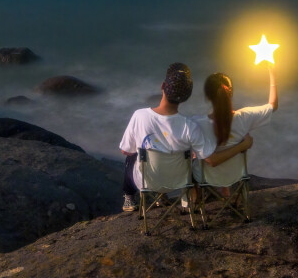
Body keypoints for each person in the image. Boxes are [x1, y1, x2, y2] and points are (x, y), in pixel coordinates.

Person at [118, 61, 202, 213]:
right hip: (179, 180)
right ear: (186, 96)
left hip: (148, 181)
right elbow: (199, 154)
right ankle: (166, 198)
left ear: (163, 86)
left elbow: (125, 150)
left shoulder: (140, 116)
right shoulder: (189, 125)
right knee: (180, 151)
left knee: (132, 154)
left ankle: (129, 198)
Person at [196, 57, 279, 179]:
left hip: (208, 178)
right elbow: (273, 105)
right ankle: (225, 191)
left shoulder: (200, 124)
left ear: (208, 97)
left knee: (189, 160)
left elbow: (212, 161)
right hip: (234, 176)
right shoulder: (245, 117)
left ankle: (192, 198)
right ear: (231, 92)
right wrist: (272, 73)